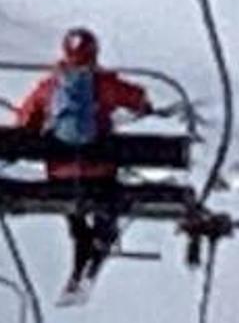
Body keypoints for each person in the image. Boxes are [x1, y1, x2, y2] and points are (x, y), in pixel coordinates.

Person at [15, 27, 154, 303]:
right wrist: (143, 107)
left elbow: (23, 122)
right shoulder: (104, 84)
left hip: (60, 177)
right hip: (100, 175)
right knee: (105, 204)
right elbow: (137, 98)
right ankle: (97, 252)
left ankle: (81, 265)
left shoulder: (50, 87)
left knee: (76, 214)